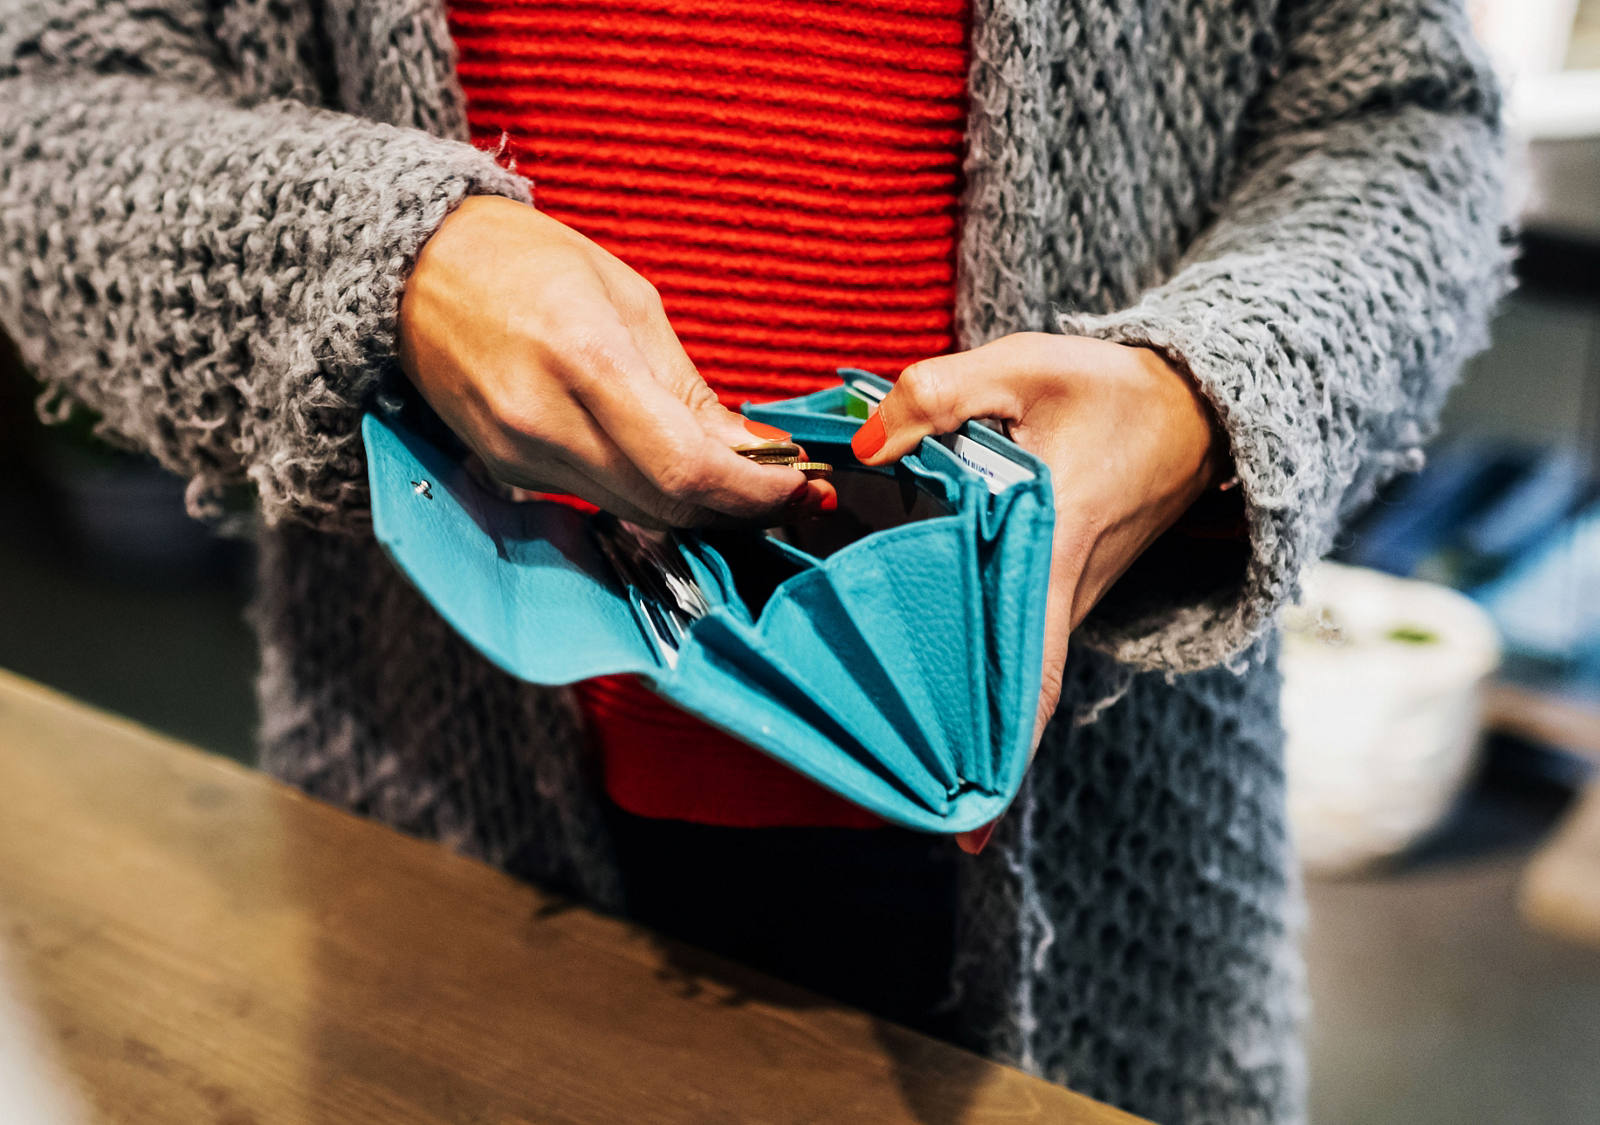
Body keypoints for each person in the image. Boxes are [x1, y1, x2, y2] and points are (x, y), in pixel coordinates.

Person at [0, 0, 1509, 1121]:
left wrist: (1206, 393)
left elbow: (1409, 124)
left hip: (1104, 905)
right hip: (450, 854)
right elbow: (43, 104)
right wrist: (386, 263)